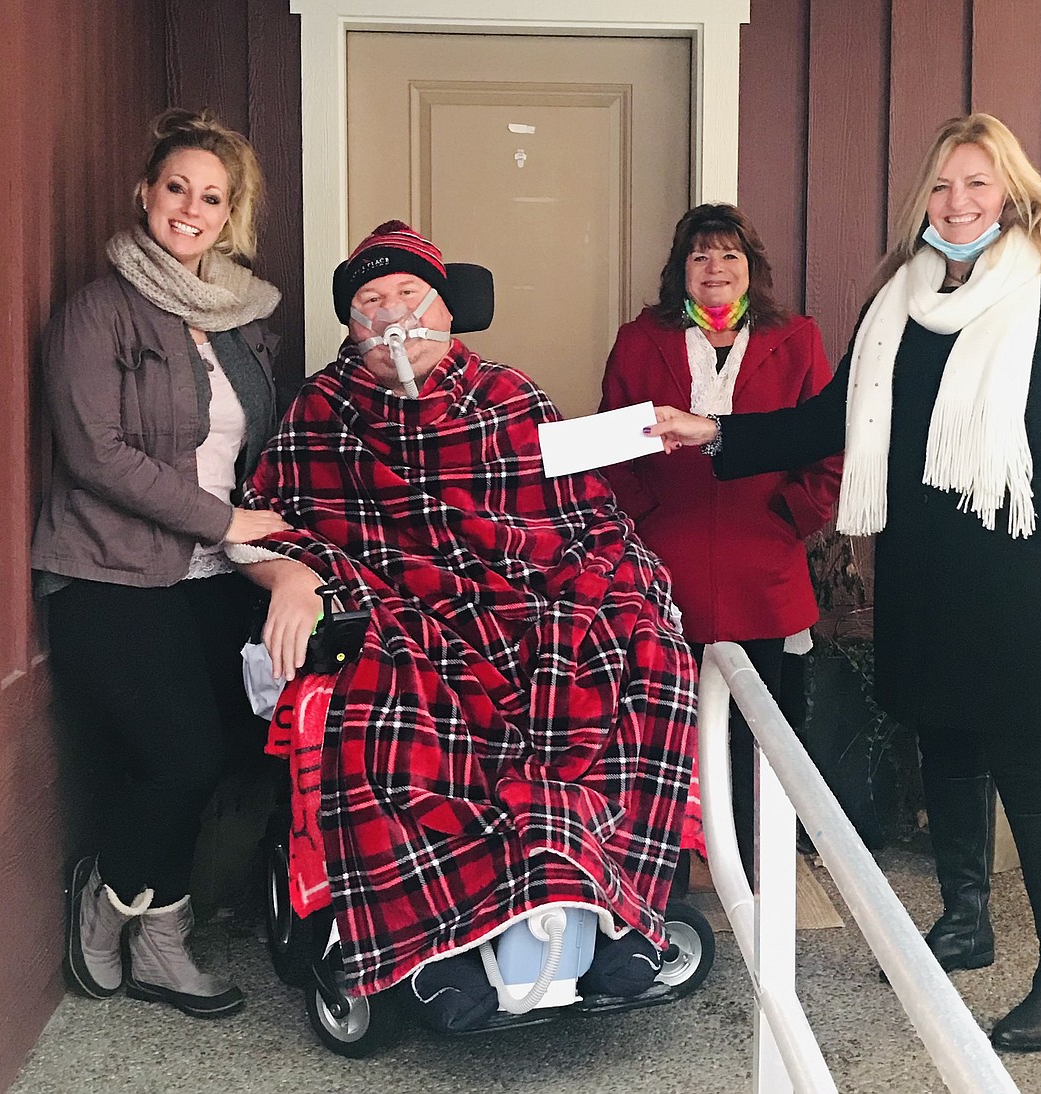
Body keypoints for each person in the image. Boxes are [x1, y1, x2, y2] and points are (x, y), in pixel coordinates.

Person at [646, 113, 1041, 1052]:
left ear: (1014, 194)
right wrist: (718, 435)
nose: (958, 203)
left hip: (1021, 567)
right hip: (922, 565)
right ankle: (964, 920)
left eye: (978, 184)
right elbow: (830, 416)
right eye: (943, 187)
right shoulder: (897, 299)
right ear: (924, 201)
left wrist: (1034, 522)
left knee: (1030, 769)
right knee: (944, 745)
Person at [230, 221, 699, 1031]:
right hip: (401, 610)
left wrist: (619, 587)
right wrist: (291, 575)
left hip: (527, 598)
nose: (391, 316)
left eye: (408, 294)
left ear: (448, 307)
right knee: (389, 695)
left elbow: (586, 517)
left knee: (637, 650)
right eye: (369, 303)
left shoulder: (510, 395)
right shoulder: (324, 408)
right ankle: (430, 948)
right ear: (349, 326)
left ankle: (618, 905)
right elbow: (259, 521)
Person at [33, 108, 289, 1018]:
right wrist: (225, 518)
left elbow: (261, 444)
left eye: (211, 196)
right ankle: (111, 907)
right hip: (111, 573)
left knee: (226, 749)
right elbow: (98, 454)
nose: (191, 207)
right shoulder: (97, 312)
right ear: (146, 193)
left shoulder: (239, 317)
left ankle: (158, 939)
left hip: (218, 576)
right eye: (176, 187)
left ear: (230, 215)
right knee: (178, 758)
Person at [599, 203, 842, 879]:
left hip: (763, 561)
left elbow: (830, 443)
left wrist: (791, 515)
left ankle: (751, 862)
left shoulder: (796, 338)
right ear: (681, 270)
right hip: (663, 560)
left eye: (729, 255)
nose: (715, 268)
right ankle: (666, 865)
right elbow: (612, 443)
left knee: (756, 727)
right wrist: (640, 519)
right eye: (701, 255)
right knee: (663, 725)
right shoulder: (639, 339)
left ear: (751, 268)